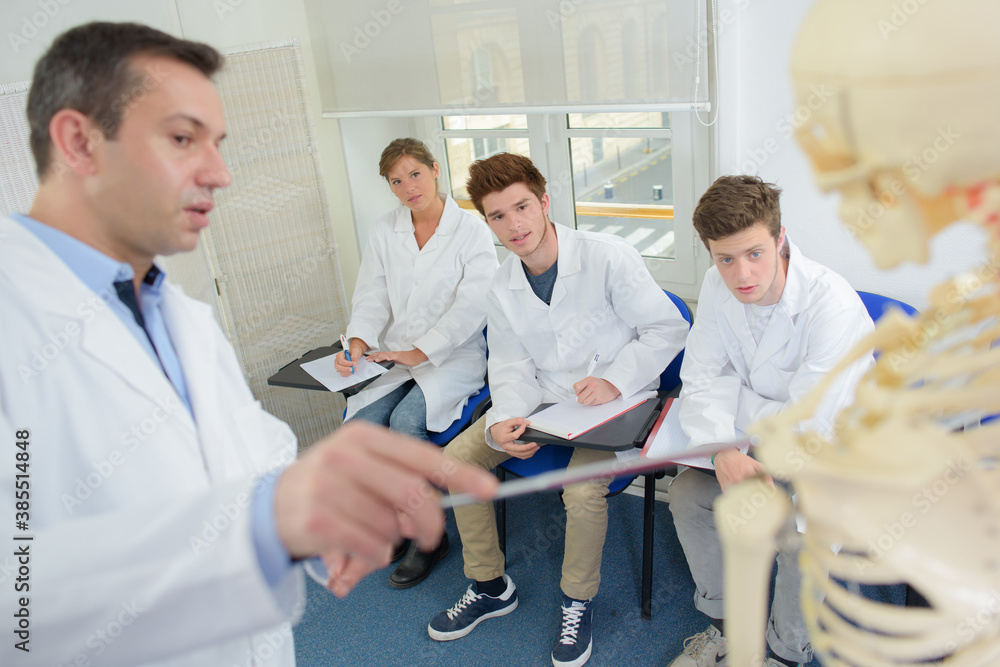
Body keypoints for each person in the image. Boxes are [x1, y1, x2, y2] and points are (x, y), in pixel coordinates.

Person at [0, 22, 496, 667]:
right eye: (182, 138)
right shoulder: (21, 336)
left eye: (219, 143)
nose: (221, 173)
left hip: (250, 641)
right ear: (78, 141)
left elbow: (241, 466)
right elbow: (23, 598)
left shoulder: (180, 317)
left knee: (387, 427)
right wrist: (264, 528)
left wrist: (287, 515)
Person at [426, 153, 689, 667]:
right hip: (545, 401)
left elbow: (667, 329)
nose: (513, 225)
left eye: (522, 207)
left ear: (544, 203)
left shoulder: (607, 256)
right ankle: (489, 586)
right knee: (456, 461)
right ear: (487, 222)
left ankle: (576, 600)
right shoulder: (501, 286)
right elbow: (510, 367)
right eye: (497, 216)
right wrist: (505, 416)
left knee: (581, 488)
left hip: (617, 403)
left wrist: (615, 379)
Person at [664, 175, 874, 667]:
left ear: (780, 238)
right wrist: (723, 451)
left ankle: (784, 650)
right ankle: (730, 629)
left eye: (755, 253)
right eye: (726, 258)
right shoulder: (718, 285)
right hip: (747, 446)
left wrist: (738, 406)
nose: (741, 275)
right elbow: (700, 378)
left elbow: (809, 423)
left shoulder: (832, 307)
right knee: (687, 497)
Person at [334, 138, 498, 588]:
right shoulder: (384, 230)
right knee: (358, 430)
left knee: (407, 423)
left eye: (415, 174)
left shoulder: (472, 231)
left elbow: (472, 309)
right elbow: (370, 294)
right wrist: (359, 343)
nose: (408, 186)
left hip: (452, 356)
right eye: (396, 180)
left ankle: (430, 538)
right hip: (394, 354)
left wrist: (420, 352)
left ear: (435, 170)